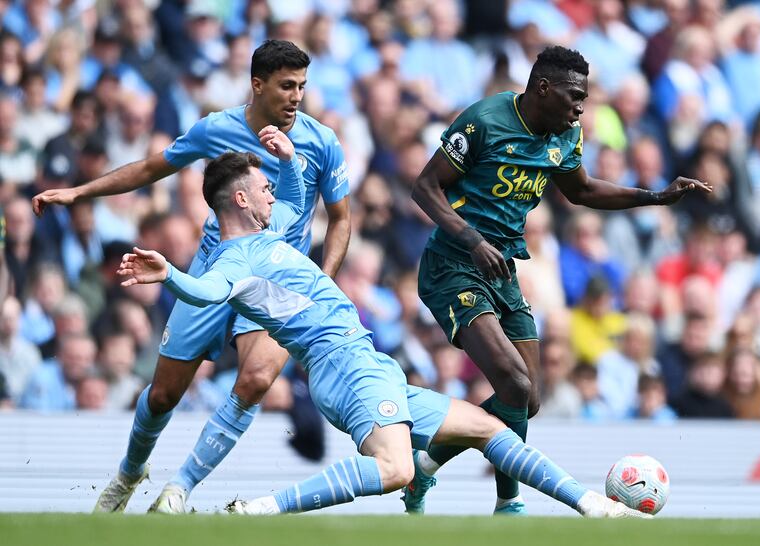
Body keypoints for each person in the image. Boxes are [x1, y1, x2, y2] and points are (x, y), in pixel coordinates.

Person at [117, 151, 647, 519]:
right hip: (342, 365)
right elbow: (207, 293)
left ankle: (588, 503)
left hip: (367, 362)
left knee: (489, 427)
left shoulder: (268, 235)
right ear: (239, 199)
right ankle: (261, 508)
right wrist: (171, 276)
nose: (272, 195)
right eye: (263, 189)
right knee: (392, 468)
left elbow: (299, 192)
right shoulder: (232, 260)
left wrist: (281, 158)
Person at [31, 40, 351, 513]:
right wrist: (80, 192)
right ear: (258, 84)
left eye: (302, 86)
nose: (297, 96)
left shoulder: (321, 140)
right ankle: (129, 472)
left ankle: (179, 489)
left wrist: (320, 282)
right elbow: (151, 167)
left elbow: (342, 220)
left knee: (258, 377)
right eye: (287, 86)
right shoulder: (216, 129)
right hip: (215, 267)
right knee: (163, 395)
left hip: (277, 281)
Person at [407, 45, 712, 514]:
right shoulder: (484, 121)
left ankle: (424, 464)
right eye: (574, 95)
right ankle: (509, 505)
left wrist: (656, 196)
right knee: (511, 381)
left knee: (526, 399)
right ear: (543, 88)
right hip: (453, 265)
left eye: (584, 98)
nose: (580, 107)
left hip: (503, 268)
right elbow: (425, 187)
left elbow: (583, 190)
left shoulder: (567, 135)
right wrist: (472, 240)